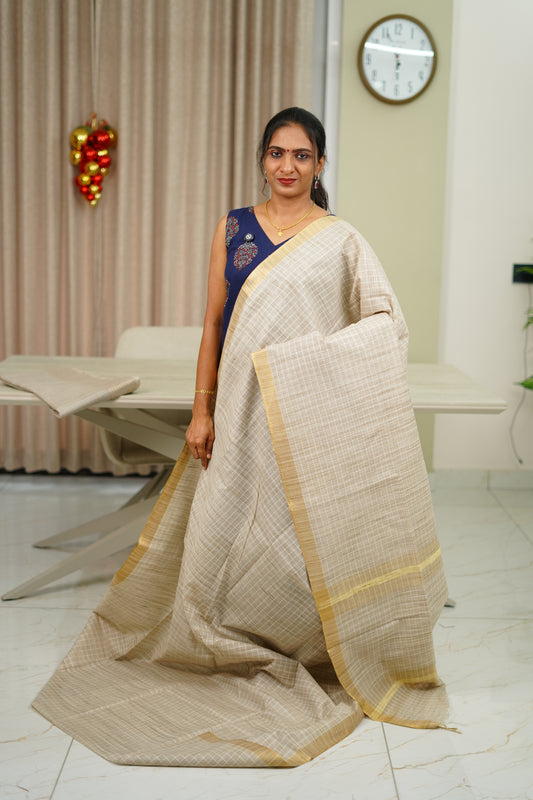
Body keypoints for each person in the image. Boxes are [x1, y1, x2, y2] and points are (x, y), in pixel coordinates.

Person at [33, 108, 450, 767]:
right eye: (277, 153)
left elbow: (384, 323)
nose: (287, 165)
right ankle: (222, 634)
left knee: (293, 535)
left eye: (302, 155)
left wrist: (308, 361)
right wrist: (202, 411)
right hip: (237, 405)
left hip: (304, 411)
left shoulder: (340, 239)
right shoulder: (234, 227)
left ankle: (307, 643)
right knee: (226, 525)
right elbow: (213, 323)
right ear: (262, 158)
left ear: (319, 165)